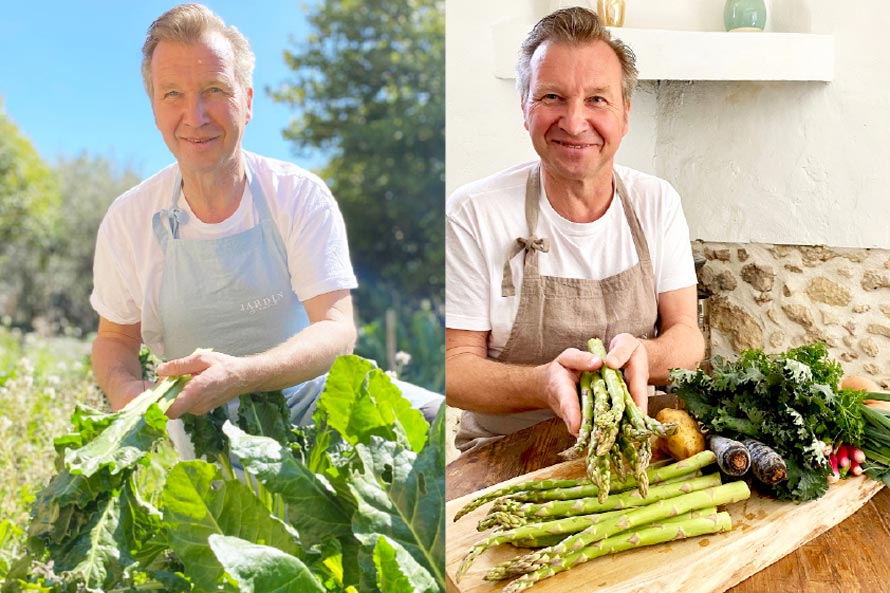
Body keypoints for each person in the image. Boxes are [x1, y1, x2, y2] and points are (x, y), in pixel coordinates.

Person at [90, 3, 441, 428]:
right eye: (173, 94)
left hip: (323, 409)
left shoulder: (296, 194)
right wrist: (129, 396)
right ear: (154, 108)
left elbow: (337, 329)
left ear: (248, 101)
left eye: (215, 90)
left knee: (443, 420)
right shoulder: (129, 220)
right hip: (210, 440)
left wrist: (239, 376)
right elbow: (114, 341)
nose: (195, 116)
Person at [445, 7, 704, 452]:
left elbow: (687, 338)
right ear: (524, 108)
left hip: (632, 446)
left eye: (597, 100)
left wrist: (647, 354)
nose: (574, 121)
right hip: (503, 452)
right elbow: (453, 368)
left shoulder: (656, 202)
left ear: (625, 112)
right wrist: (543, 383)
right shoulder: (474, 212)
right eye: (552, 97)